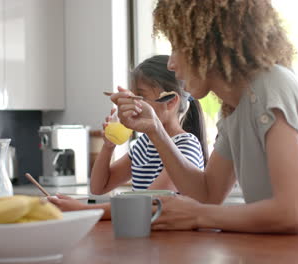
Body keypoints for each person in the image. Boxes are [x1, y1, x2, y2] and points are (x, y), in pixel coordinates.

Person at [110, 0, 298, 237]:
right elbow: (207, 193)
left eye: (177, 47)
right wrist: (155, 129)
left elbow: (294, 213)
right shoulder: (235, 110)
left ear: (209, 42)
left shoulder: (269, 86)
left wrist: (197, 215)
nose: (171, 64)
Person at [48, 55, 208, 220]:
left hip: (173, 239)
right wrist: (108, 146)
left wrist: (82, 209)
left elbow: (147, 204)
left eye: (140, 97)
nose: (131, 104)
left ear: (170, 102)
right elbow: (99, 187)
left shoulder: (186, 146)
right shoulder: (143, 144)